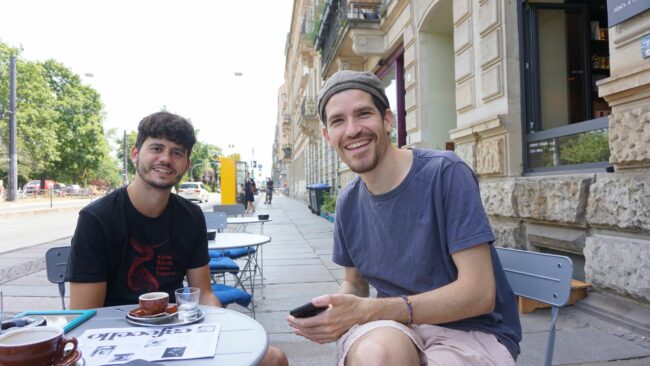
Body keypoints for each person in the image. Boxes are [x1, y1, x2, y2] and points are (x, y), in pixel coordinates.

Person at [287, 70, 521, 365]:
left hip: (470, 329)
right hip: (395, 327)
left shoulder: (445, 174)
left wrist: (367, 310)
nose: (352, 129)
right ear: (327, 135)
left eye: (363, 114)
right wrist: (336, 309)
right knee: (376, 355)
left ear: (387, 120)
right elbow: (355, 284)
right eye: (338, 121)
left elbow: (479, 293)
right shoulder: (348, 202)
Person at [66, 111, 287, 366]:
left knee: (274, 359)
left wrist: (219, 331)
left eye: (177, 152)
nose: (166, 159)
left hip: (174, 333)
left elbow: (204, 292)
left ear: (185, 164)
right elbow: (85, 316)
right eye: (157, 148)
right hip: (114, 343)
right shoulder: (97, 219)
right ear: (135, 154)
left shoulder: (190, 216)